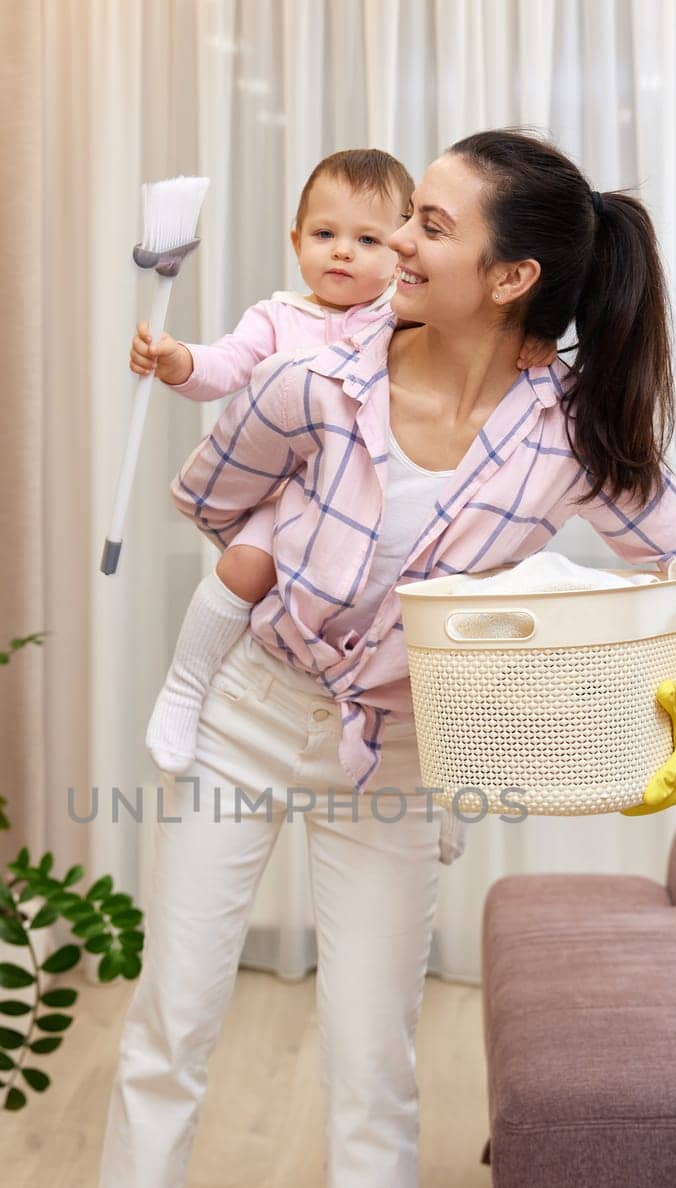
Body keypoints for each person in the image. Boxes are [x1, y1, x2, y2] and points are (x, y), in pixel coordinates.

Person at [70, 128, 676, 1188]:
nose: (396, 245)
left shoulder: (565, 434)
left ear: (507, 276)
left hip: (391, 761)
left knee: (372, 1074)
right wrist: (261, 424)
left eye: (429, 229)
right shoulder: (315, 369)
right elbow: (204, 500)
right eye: (401, 226)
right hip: (248, 715)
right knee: (174, 1020)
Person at [130, 147, 555, 865]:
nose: (343, 254)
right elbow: (225, 368)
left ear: (398, 251)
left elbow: (476, 344)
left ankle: (450, 787)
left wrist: (527, 337)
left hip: (369, 508)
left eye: (366, 240)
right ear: (295, 243)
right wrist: (179, 362)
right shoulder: (277, 319)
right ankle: (186, 684)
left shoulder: (405, 318)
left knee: (434, 629)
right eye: (324, 236)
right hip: (291, 496)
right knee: (241, 566)